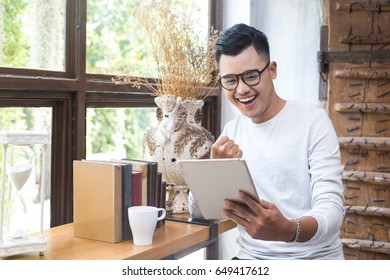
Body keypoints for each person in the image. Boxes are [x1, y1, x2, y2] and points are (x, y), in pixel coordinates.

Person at [188, 23, 345, 259]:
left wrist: (289, 230)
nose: (241, 89)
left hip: (313, 260)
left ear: (272, 70)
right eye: (230, 80)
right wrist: (213, 170)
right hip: (253, 259)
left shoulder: (313, 121)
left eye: (251, 76)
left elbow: (332, 211)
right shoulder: (232, 131)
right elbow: (201, 214)